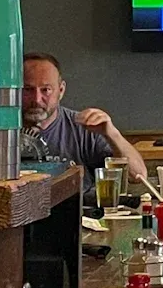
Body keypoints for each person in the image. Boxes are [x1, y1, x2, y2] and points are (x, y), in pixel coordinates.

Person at [21, 53, 147, 193]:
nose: (37, 99)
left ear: (61, 90)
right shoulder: (3, 131)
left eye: (46, 90)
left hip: (79, 206)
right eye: (28, 90)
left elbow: (137, 176)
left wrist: (112, 133)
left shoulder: (85, 128)